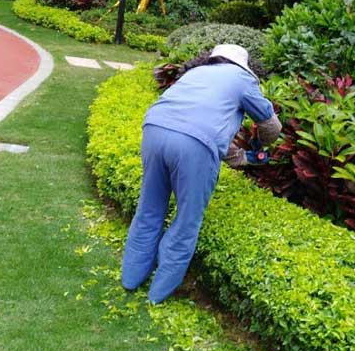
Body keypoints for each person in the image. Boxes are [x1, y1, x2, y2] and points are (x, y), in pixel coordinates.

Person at [121, 43, 282, 304]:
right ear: (242, 65)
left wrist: (242, 158)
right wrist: (262, 143)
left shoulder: (195, 74)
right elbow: (271, 127)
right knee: (187, 220)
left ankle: (131, 277)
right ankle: (158, 293)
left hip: (154, 131)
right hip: (193, 147)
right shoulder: (242, 80)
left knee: (149, 208)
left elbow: (202, 129)